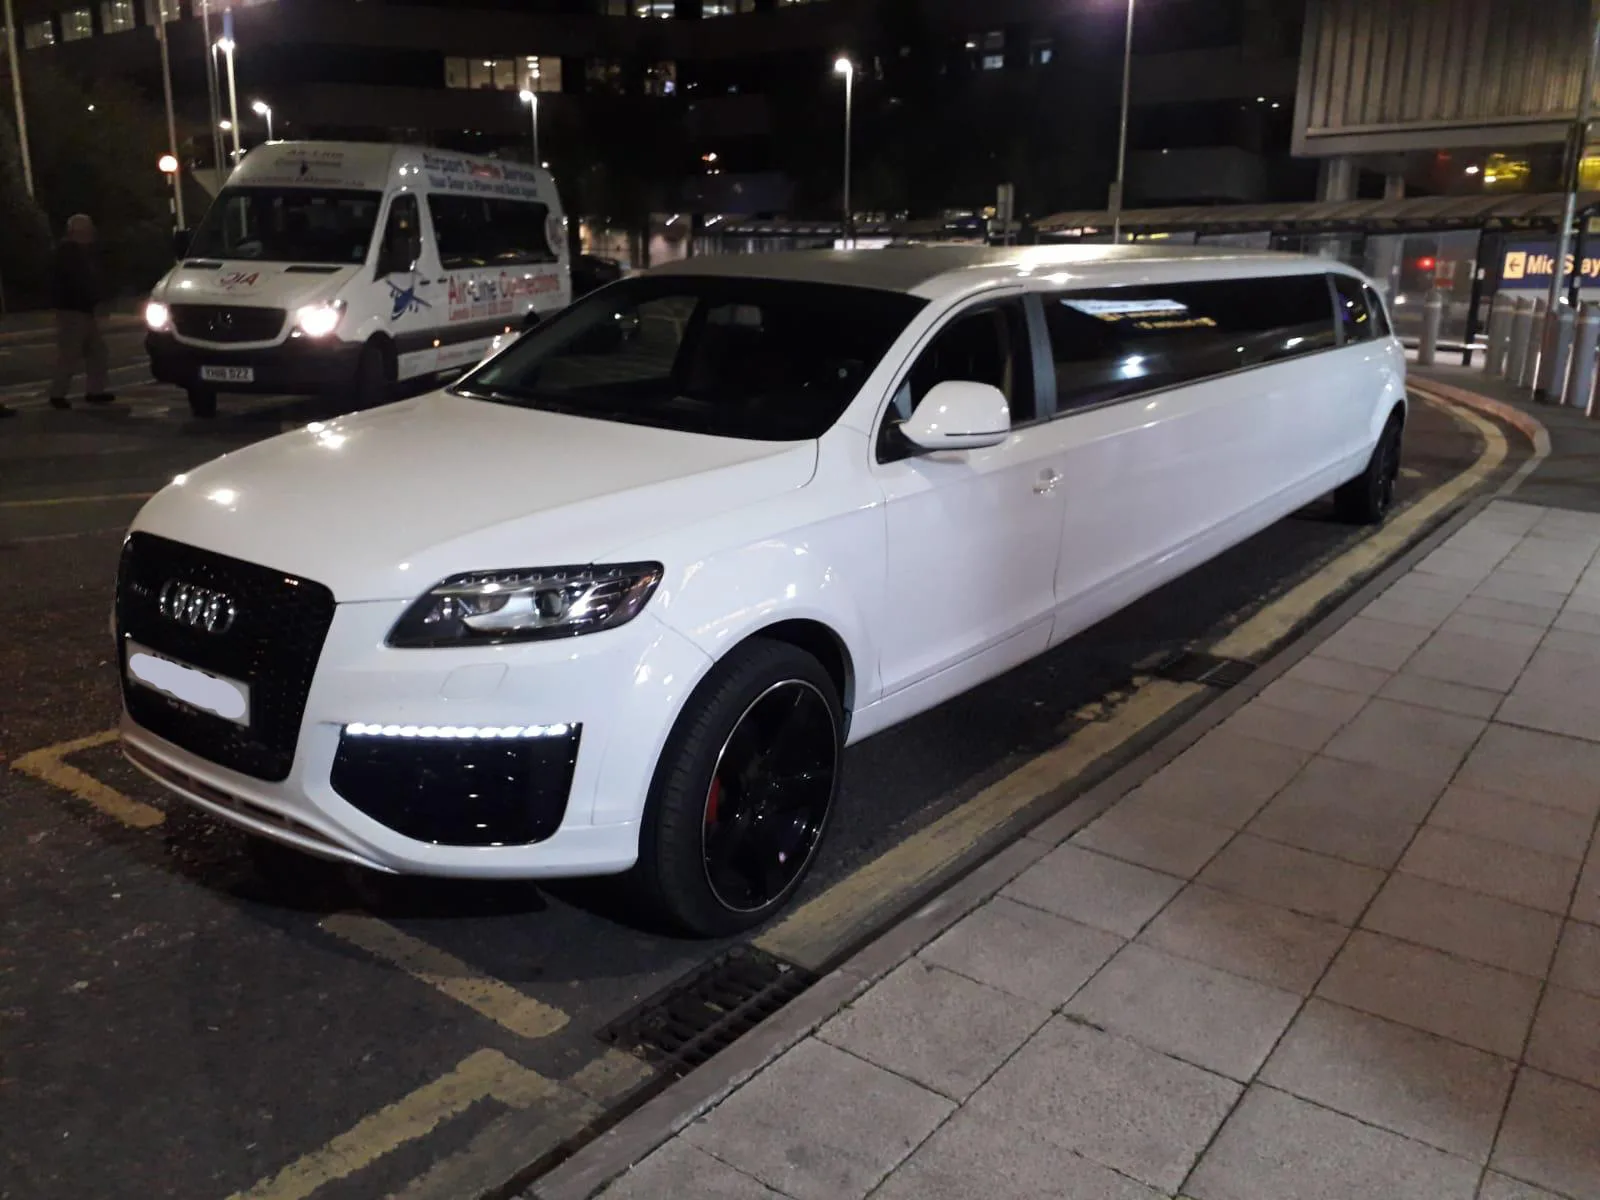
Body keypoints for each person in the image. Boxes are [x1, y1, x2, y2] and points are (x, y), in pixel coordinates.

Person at [48, 213, 114, 410]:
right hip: (73, 311)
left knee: (97, 351)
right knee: (71, 353)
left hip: (82, 310)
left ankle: (94, 391)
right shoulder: (68, 254)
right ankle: (58, 394)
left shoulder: (77, 252)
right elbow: (78, 283)